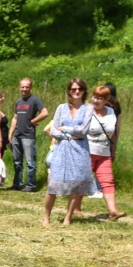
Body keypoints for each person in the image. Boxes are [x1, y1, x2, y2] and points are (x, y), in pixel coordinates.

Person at [43, 78, 93, 225]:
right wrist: (70, 134)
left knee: (75, 185)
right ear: (69, 91)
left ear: (84, 91)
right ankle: (47, 217)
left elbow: (84, 131)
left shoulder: (88, 108)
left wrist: (66, 129)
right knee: (53, 183)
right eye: (73, 89)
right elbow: (53, 130)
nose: (77, 92)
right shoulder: (61, 107)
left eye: (79, 89)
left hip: (79, 149)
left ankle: (68, 217)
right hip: (61, 148)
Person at [73, 84, 125, 220]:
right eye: (95, 97)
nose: (96, 101)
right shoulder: (85, 111)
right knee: (83, 181)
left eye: (100, 98)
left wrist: (114, 148)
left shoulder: (111, 112)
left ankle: (113, 211)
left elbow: (113, 133)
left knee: (107, 181)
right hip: (86, 151)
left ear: (106, 99)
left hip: (104, 152)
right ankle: (76, 208)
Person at [9, 77, 51, 192]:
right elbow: (15, 118)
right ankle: (17, 183)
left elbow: (45, 113)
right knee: (17, 161)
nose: (24, 89)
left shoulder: (35, 100)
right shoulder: (18, 101)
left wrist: (34, 121)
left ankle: (31, 185)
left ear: (31, 87)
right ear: (19, 87)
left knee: (30, 162)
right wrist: (10, 133)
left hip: (28, 135)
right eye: (22, 87)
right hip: (17, 134)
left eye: (27, 87)